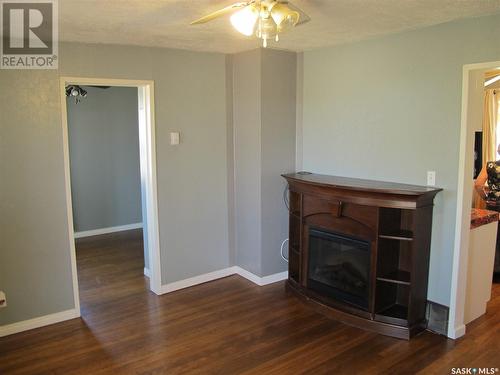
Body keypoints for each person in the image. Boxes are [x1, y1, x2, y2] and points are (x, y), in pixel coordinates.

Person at [475, 144, 500, 274]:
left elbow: (478, 184)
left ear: (498, 150)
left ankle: (491, 271)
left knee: (492, 237)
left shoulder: (490, 165)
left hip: (493, 206)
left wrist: (486, 198)